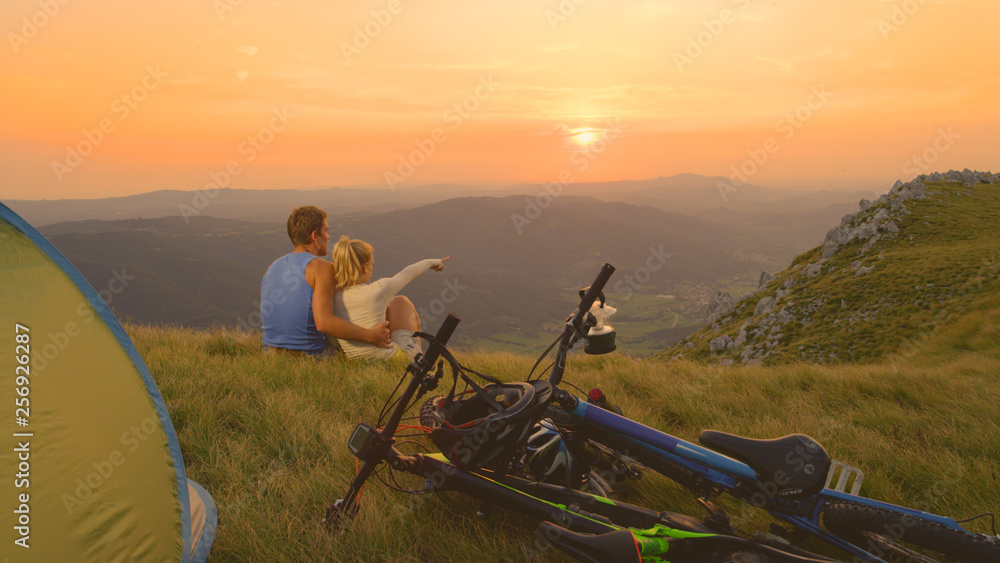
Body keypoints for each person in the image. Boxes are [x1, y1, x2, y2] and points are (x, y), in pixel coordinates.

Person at [261, 206, 391, 356]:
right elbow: (324, 323)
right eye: (326, 231)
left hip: (269, 353)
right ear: (315, 236)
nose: (329, 237)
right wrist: (371, 336)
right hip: (308, 356)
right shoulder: (322, 268)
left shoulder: (272, 266)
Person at [331, 236, 449, 361]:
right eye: (372, 265)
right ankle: (418, 358)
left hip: (357, 360)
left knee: (387, 306)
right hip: (394, 359)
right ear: (365, 267)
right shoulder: (378, 290)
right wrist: (434, 262)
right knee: (400, 302)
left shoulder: (332, 296)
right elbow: (410, 272)